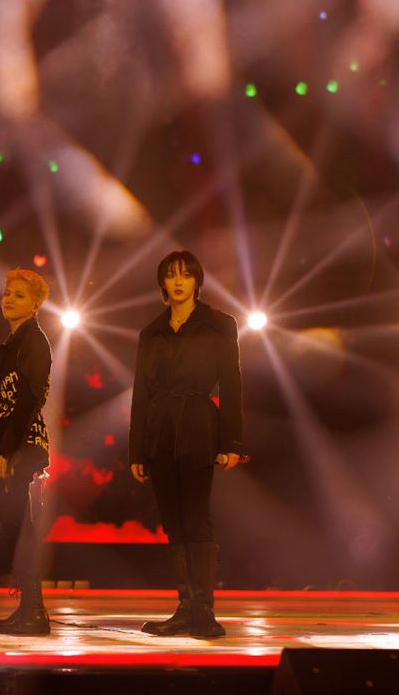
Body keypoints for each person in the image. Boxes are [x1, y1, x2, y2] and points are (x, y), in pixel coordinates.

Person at [129, 250, 243, 639]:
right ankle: (185, 608)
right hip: (159, 429)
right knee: (173, 521)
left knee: (196, 517)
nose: (178, 282)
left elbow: (232, 384)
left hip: (198, 425)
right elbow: (141, 395)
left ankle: (204, 610)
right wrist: (137, 450)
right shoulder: (151, 332)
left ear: (197, 280)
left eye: (185, 275)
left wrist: (232, 441)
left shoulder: (219, 325)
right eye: (171, 275)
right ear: (162, 283)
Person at [0, 268, 53, 636]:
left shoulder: (34, 341)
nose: (9, 299)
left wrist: (10, 449)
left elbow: (29, 399)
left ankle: (34, 611)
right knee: (13, 526)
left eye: (19, 295)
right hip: (9, 442)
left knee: (21, 526)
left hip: (22, 443)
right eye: (7, 293)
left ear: (36, 304)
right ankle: (28, 608)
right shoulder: (12, 343)